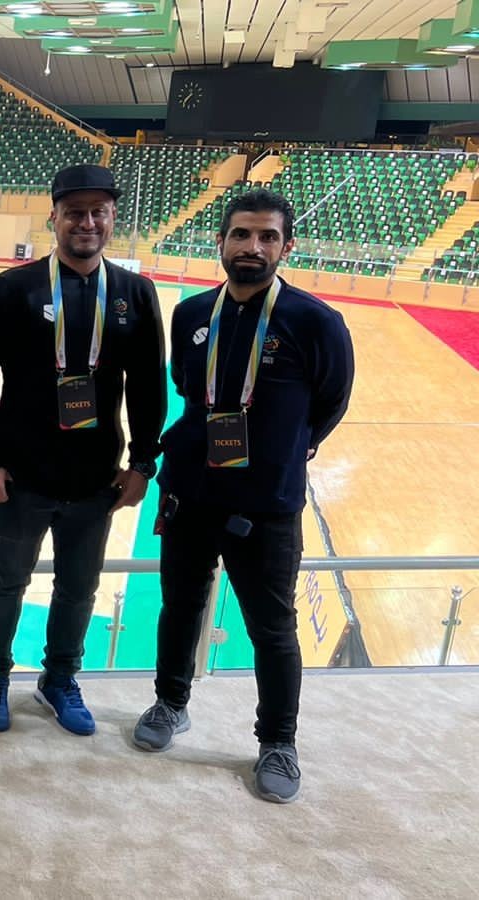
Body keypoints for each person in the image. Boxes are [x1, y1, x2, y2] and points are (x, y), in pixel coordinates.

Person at [132, 189, 353, 804]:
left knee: (272, 628)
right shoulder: (192, 314)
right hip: (191, 490)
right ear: (221, 241)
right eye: (241, 234)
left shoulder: (315, 322)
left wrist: (288, 446)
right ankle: (170, 702)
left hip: (266, 502)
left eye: (267, 237)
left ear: (286, 246)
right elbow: (187, 385)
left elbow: (331, 402)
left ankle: (278, 741)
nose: (252, 247)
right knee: (180, 606)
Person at [0, 164, 166, 736]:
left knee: (79, 589)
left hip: (96, 479)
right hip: (20, 475)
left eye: (99, 212)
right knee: (7, 580)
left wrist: (143, 463)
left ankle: (60, 679)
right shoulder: (12, 289)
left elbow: (149, 388)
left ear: (113, 218)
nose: (87, 222)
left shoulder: (135, 293)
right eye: (75, 212)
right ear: (54, 217)